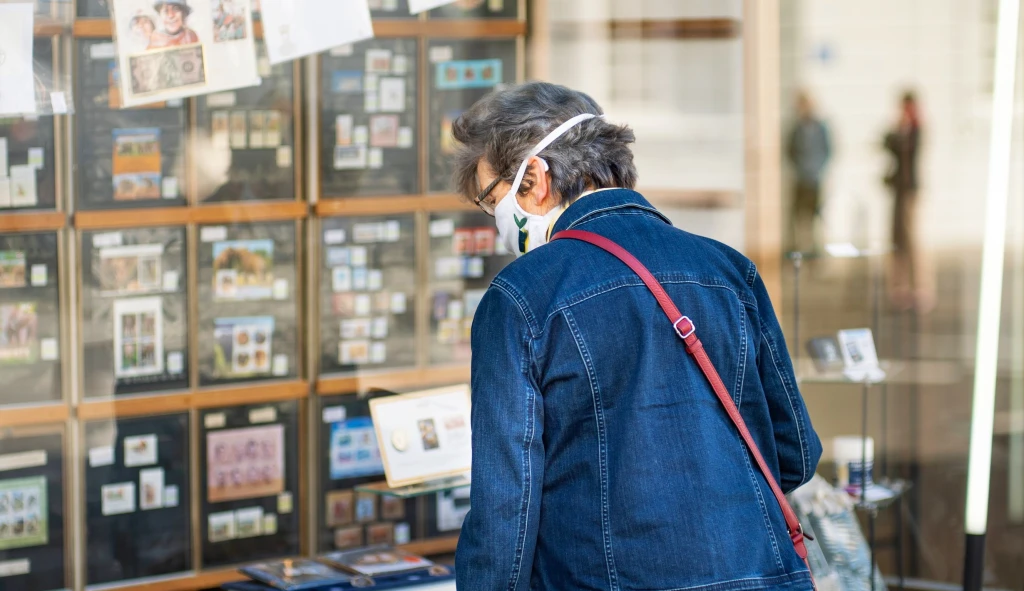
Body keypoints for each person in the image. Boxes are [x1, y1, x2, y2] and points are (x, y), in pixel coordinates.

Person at [451, 81, 822, 591]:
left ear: (536, 177)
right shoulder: (729, 268)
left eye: (490, 197)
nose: (494, 216)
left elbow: (504, 514)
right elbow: (795, 451)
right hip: (758, 572)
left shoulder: (520, 297)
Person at [883, 91, 933, 311]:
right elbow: (888, 143)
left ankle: (920, 286)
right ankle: (900, 285)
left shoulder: (916, 128)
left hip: (909, 190)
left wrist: (901, 131)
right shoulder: (902, 129)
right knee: (897, 238)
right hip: (898, 189)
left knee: (911, 238)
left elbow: (906, 150)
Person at [786, 91, 831, 253]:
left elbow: (827, 151)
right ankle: (800, 247)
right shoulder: (797, 128)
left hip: (815, 180)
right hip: (800, 179)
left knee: (815, 216)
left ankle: (815, 249)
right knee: (798, 217)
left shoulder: (820, 128)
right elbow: (790, 151)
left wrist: (816, 169)